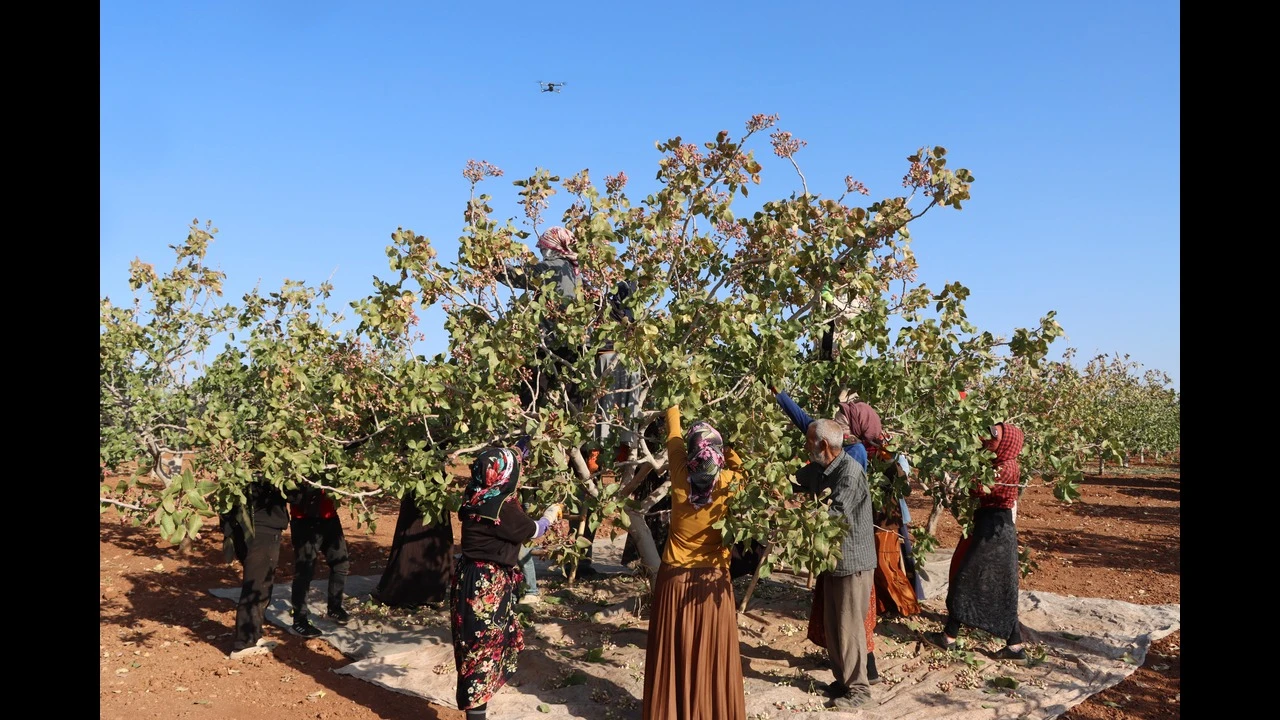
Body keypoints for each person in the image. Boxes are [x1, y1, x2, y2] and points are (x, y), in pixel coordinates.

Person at [642, 405, 747, 720]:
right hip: (713, 583)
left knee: (675, 654)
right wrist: (727, 446)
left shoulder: (678, 476)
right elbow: (737, 462)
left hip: (675, 579)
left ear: (691, 454)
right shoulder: (730, 480)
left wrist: (673, 407)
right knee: (711, 655)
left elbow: (674, 434)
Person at [451, 444, 562, 720]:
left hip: (467, 580)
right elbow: (534, 530)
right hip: (487, 585)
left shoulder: (476, 493)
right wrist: (550, 514)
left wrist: (521, 449)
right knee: (483, 657)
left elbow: (504, 461)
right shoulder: (502, 506)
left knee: (472, 653)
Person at [792, 419, 877, 710]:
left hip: (852, 561)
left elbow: (835, 517)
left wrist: (795, 516)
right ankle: (843, 683)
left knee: (849, 627)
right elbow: (795, 480)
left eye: (808, 443)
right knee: (833, 624)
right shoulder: (821, 469)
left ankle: (860, 692)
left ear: (824, 446)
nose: (805, 447)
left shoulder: (849, 474)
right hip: (832, 560)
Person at [929, 422, 1029, 661]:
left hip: (993, 529)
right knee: (988, 583)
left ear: (1006, 443)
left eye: (994, 437)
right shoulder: (999, 463)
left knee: (969, 579)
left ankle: (949, 637)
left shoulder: (1004, 468)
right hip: (993, 526)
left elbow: (976, 490)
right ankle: (1014, 646)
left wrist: (956, 473)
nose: (987, 440)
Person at [221, 481, 290, 659]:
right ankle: (243, 644)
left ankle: (254, 635)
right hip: (262, 531)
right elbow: (292, 493)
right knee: (256, 585)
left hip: (251, 529)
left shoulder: (248, 465)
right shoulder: (271, 470)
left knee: (262, 585)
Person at [286, 484, 351, 637]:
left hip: (330, 517)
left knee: (341, 563)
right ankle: (299, 621)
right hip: (305, 521)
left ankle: (335, 608)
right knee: (305, 571)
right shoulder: (298, 463)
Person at [371, 491, 455, 608]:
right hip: (420, 486)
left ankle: (422, 590)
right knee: (418, 527)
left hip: (429, 487)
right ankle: (417, 590)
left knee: (426, 528)